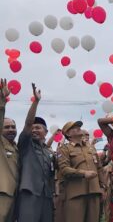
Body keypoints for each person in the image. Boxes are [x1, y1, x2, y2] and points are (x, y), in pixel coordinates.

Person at [17, 83, 56, 222]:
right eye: (32, 128)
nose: (34, 130)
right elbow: (28, 124)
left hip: (47, 196)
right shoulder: (26, 145)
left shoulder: (49, 152)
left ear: (45, 132)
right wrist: (36, 102)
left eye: (38, 128)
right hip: (30, 194)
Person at [57, 121, 106, 222]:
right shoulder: (64, 149)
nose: (78, 128)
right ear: (68, 134)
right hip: (75, 194)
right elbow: (64, 169)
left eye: (79, 126)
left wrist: (103, 187)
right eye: (73, 127)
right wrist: (83, 173)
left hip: (94, 192)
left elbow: (99, 168)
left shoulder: (91, 148)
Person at [0, 79, 19, 222]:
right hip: (2, 193)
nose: (11, 129)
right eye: (7, 127)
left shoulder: (16, 147)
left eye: (13, 126)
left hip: (16, 195)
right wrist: (2, 102)